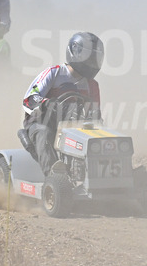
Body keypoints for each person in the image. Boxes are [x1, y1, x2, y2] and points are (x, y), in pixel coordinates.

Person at [20, 32, 104, 178]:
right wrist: (47, 104)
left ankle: (99, 175)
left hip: (73, 127)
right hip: (42, 123)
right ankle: (55, 178)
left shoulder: (92, 85)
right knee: (44, 133)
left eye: (94, 58)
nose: (91, 63)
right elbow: (29, 100)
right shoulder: (54, 73)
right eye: (89, 57)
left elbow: (95, 115)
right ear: (75, 52)